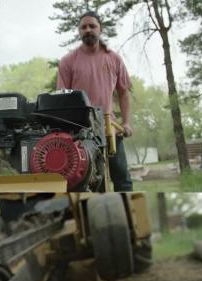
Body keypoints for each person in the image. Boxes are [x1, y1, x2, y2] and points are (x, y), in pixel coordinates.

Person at [57, 11, 133, 191]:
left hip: (110, 129)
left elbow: (124, 93)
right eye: (83, 27)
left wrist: (127, 122)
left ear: (101, 29)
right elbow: (62, 98)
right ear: (79, 31)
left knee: (122, 179)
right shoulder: (68, 61)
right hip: (80, 132)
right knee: (89, 182)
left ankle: (127, 216)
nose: (88, 30)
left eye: (92, 26)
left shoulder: (113, 58)